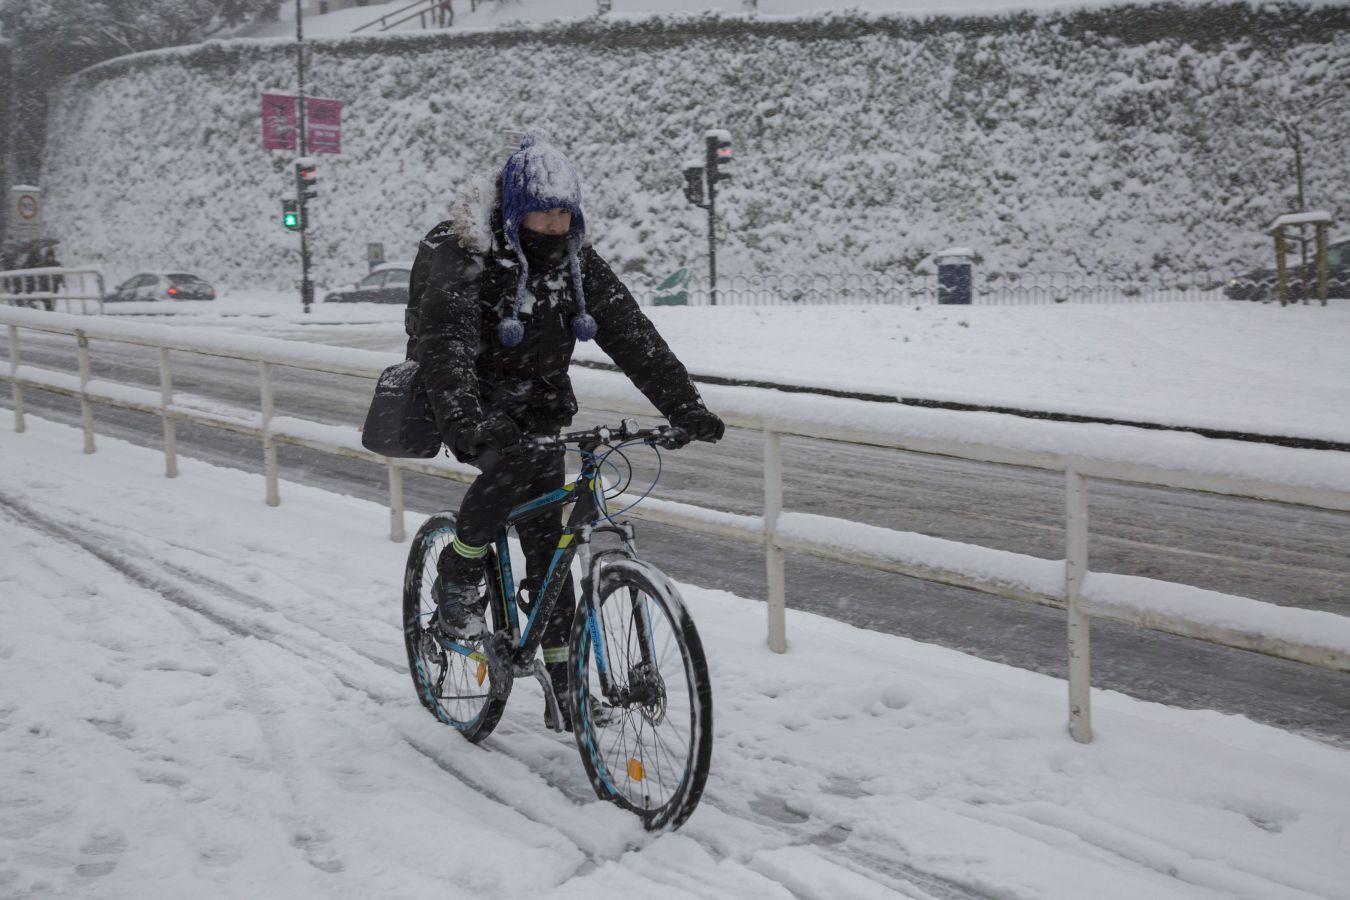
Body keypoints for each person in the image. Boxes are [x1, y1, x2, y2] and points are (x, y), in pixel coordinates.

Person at [409, 131, 724, 727]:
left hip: (543, 412)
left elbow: (634, 337)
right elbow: (444, 346)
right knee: (511, 473)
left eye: (563, 212)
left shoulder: (577, 264)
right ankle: (461, 567)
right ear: (514, 209)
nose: (553, 224)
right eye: (542, 211)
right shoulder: (470, 258)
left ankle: (566, 689)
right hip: (475, 406)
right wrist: (468, 421)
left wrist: (685, 406)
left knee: (549, 550)